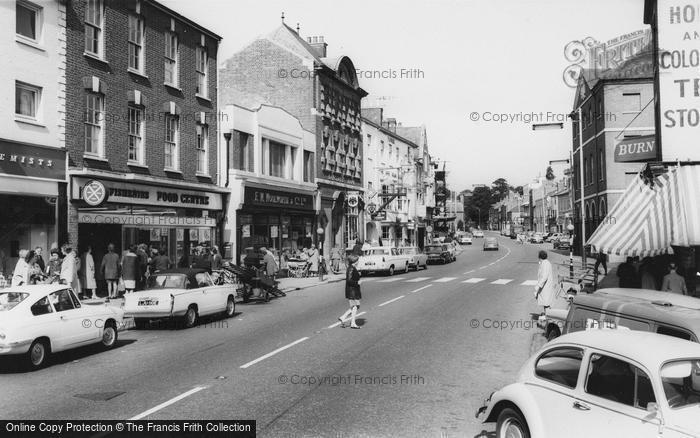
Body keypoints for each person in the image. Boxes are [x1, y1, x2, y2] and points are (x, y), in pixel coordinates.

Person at [337, 254, 362, 329]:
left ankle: (343, 317)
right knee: (355, 306)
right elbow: (349, 280)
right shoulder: (351, 268)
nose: (358, 261)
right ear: (355, 261)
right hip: (352, 290)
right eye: (357, 260)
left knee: (356, 306)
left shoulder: (352, 268)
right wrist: (357, 283)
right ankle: (353, 323)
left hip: (353, 290)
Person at [534, 250, 556, 322]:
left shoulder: (545, 264)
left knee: (546, 302)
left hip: (545, 287)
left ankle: (548, 317)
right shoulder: (545, 263)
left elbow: (544, 277)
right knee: (545, 301)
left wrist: (538, 286)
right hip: (545, 286)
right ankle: (548, 315)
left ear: (540, 257)